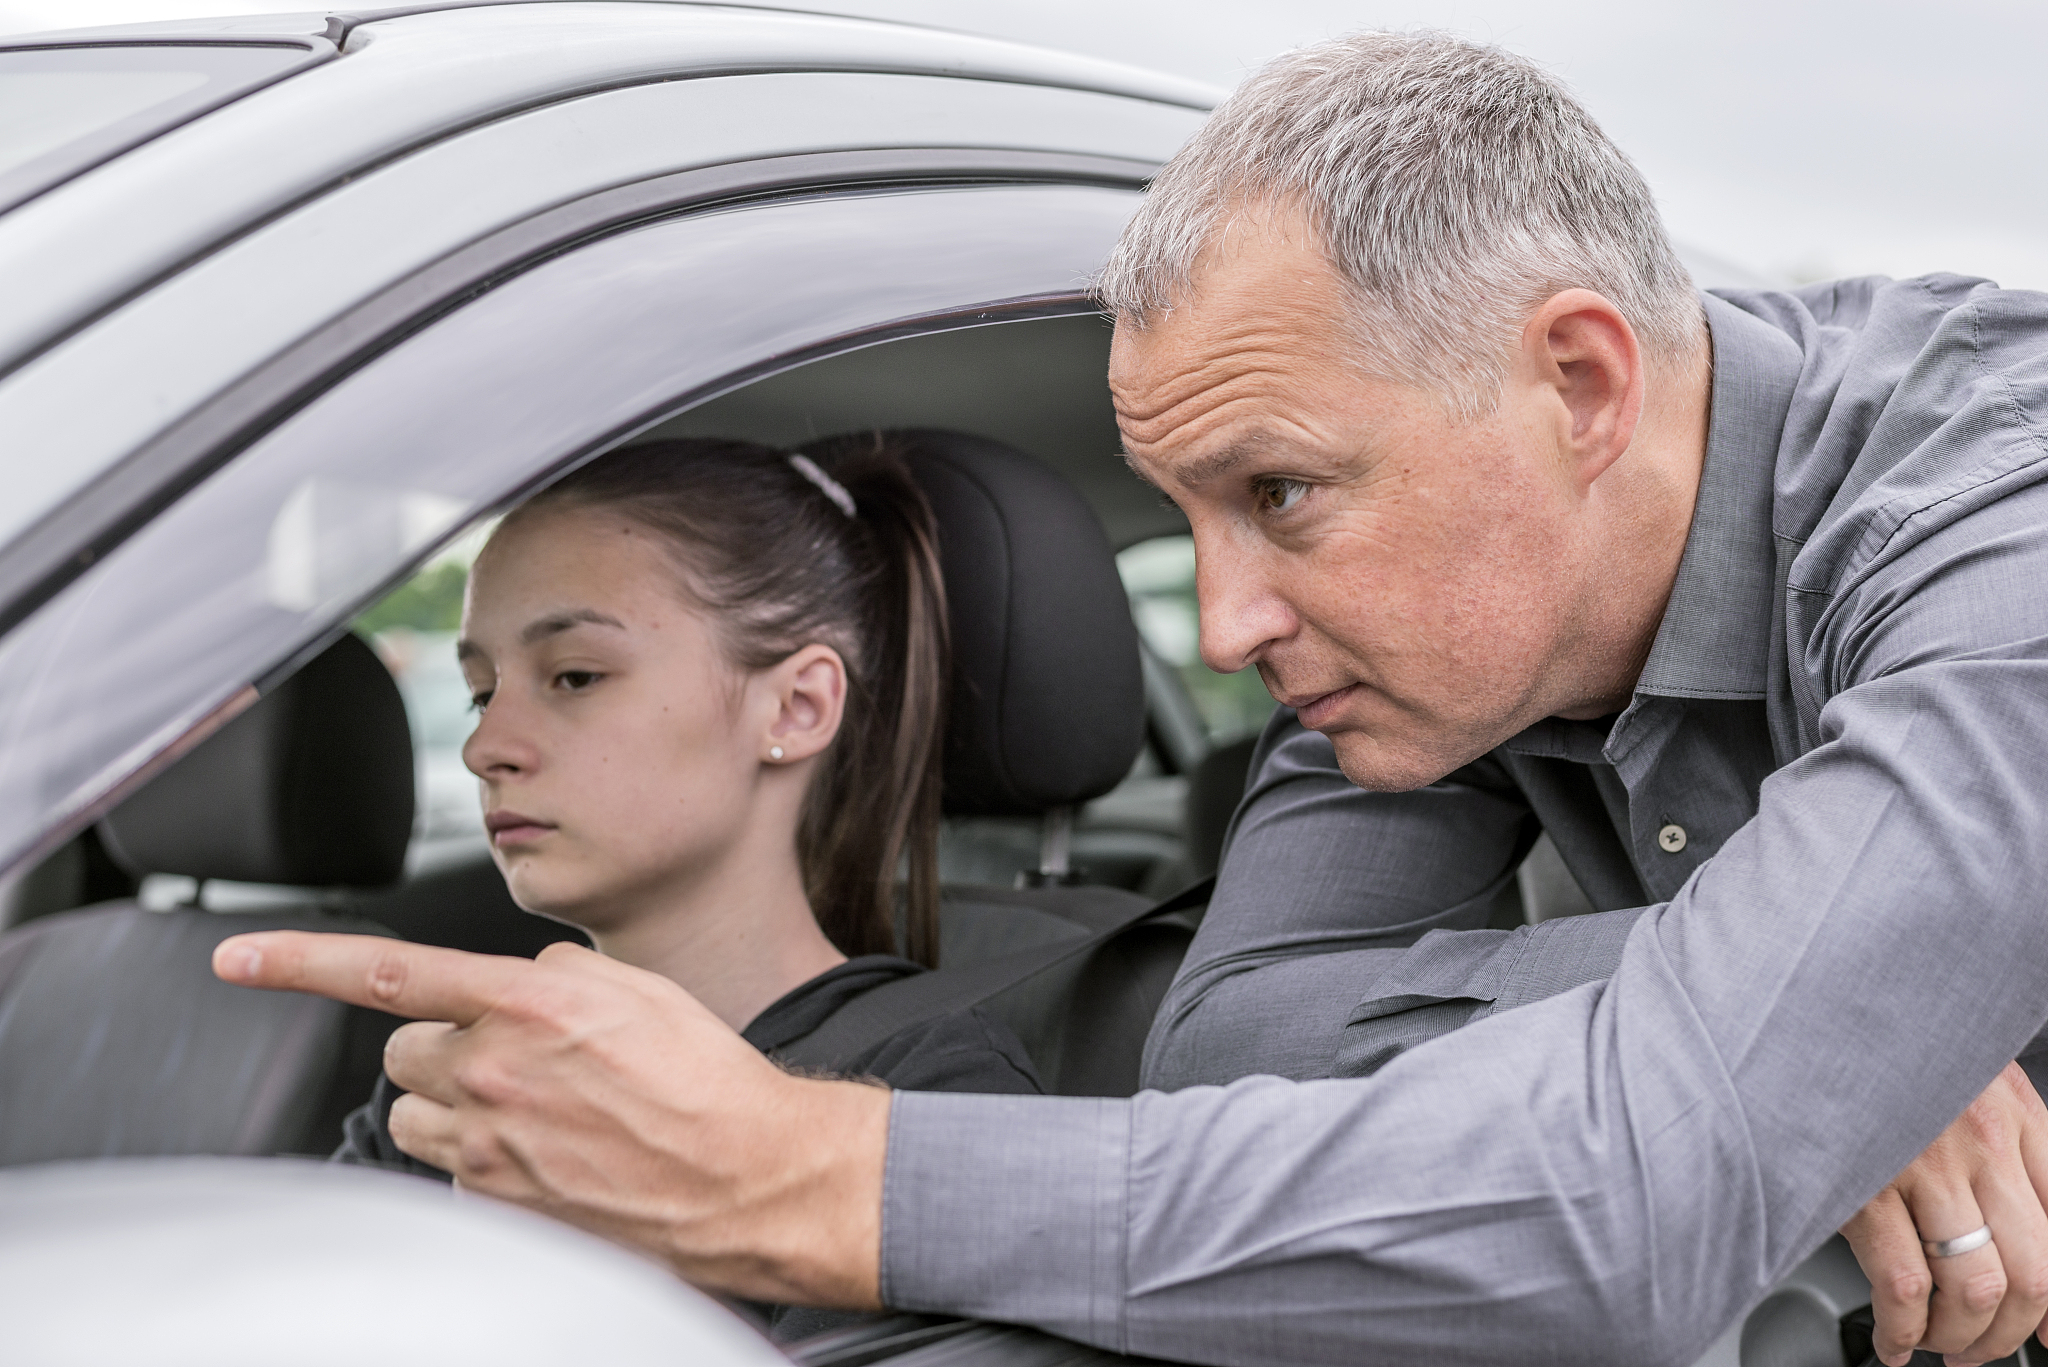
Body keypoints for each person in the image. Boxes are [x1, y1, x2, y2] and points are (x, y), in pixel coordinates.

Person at [216, 32, 2048, 1367]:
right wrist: (1802, 1016)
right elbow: (1229, 1035)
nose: (1229, 620)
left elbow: (1630, 1214)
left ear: (1575, 384)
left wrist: (791, 1170)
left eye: (1278, 494)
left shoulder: (1996, 520)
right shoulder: (1428, 652)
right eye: (1184, 520)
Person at [331, 435, 1038, 1338]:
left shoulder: (936, 1103)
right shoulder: (462, 1081)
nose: (485, 747)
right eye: (480, 692)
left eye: (575, 676)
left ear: (796, 707)